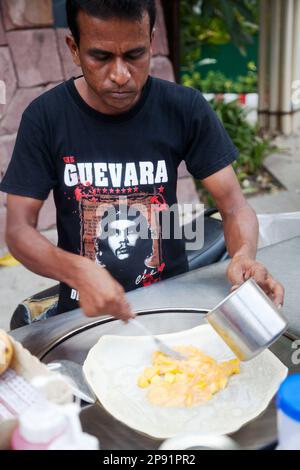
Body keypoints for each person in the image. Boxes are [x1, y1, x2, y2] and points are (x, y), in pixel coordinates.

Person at [0, 0, 284, 325]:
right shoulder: (45, 118)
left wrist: (244, 256)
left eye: (134, 55)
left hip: (173, 303)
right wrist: (76, 270)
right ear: (74, 49)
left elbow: (234, 206)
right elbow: (20, 230)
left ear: (151, 41)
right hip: (83, 314)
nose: (120, 75)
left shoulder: (184, 108)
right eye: (101, 56)